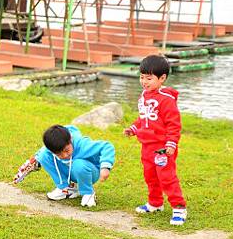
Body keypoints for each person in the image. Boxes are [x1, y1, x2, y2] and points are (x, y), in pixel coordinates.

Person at [123, 55, 187, 226]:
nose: (144, 81)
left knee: (167, 177)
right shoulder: (143, 96)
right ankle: (155, 203)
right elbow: (143, 119)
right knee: (150, 176)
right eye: (142, 77)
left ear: (162, 78)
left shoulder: (166, 101)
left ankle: (179, 207)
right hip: (147, 146)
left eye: (149, 78)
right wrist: (134, 129)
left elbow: (174, 125)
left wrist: (171, 143)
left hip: (162, 148)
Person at [14, 125, 115, 207]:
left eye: (67, 150)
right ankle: (65, 188)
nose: (65, 155)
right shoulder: (50, 149)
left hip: (89, 171)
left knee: (78, 165)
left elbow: (107, 146)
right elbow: (43, 152)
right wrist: (34, 161)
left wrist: (105, 167)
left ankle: (88, 192)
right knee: (43, 156)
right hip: (70, 170)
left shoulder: (82, 144)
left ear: (70, 140)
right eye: (59, 154)